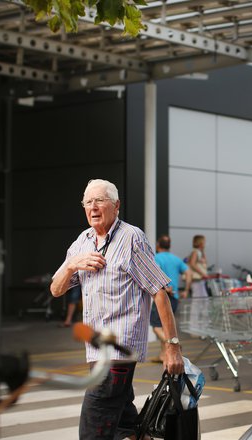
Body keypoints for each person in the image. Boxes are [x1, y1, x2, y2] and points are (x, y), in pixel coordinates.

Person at [50, 179, 184, 440]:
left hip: (120, 349)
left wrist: (172, 347)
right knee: (125, 422)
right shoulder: (83, 242)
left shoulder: (131, 238)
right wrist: (71, 266)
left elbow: (158, 291)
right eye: (88, 202)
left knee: (94, 425)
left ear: (116, 205)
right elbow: (56, 290)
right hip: (95, 348)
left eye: (99, 200)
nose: (93, 207)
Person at [149, 234, 192, 362]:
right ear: (169, 246)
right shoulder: (176, 259)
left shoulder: (156, 258)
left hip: (163, 296)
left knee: (156, 327)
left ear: (158, 245)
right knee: (166, 326)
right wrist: (186, 290)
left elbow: (156, 272)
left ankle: (175, 345)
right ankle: (163, 356)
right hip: (174, 298)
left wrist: (165, 286)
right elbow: (188, 273)